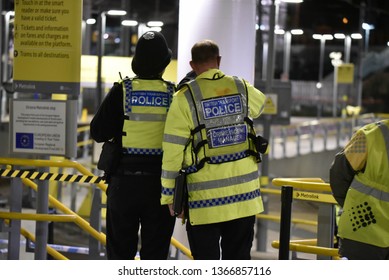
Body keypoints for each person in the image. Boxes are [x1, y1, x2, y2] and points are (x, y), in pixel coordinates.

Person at [160, 39, 267, 260]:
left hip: (205, 203)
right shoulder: (240, 86)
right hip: (244, 200)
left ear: (192, 65)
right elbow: (260, 105)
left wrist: (170, 196)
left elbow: (172, 151)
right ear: (218, 61)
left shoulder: (184, 97)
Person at [90, 31, 176, 260]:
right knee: (155, 255)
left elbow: (97, 132)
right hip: (161, 186)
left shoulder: (122, 90)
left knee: (120, 253)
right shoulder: (173, 94)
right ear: (164, 64)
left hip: (124, 184)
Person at [329, 119, 389, 260]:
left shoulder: (370, 135)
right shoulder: (370, 135)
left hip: (363, 230)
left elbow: (339, 174)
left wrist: (350, 205)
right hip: (364, 233)